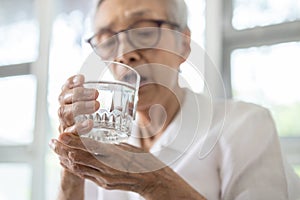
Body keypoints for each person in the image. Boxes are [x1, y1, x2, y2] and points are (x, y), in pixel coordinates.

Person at [49, 0, 300, 199]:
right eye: (107, 40)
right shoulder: (103, 139)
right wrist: (71, 164)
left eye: (145, 31)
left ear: (184, 44)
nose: (125, 54)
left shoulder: (245, 125)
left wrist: (156, 183)